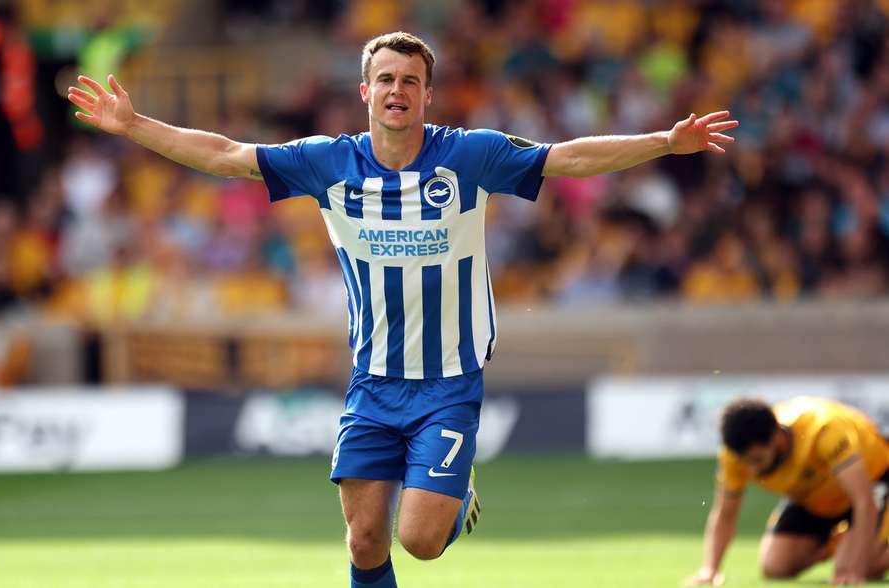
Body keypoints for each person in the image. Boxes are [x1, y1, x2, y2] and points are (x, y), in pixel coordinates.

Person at [67, 31, 738, 588]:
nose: (396, 91)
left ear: (426, 93)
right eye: (385, 79)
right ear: (366, 92)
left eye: (410, 81)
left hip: (449, 380)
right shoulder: (330, 162)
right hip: (373, 380)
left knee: (418, 541)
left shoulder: (469, 156)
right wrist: (134, 125)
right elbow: (227, 156)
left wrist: (661, 142)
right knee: (363, 542)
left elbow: (566, 159)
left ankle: (453, 496)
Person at [685, 396, 889, 586]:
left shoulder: (823, 429)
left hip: (873, 481)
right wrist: (710, 568)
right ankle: (848, 541)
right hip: (815, 498)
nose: (752, 470)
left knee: (863, 566)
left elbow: (863, 500)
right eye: (745, 462)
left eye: (757, 460)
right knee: (776, 566)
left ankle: (866, 547)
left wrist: (856, 569)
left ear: (776, 437)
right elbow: (725, 514)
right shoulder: (735, 456)